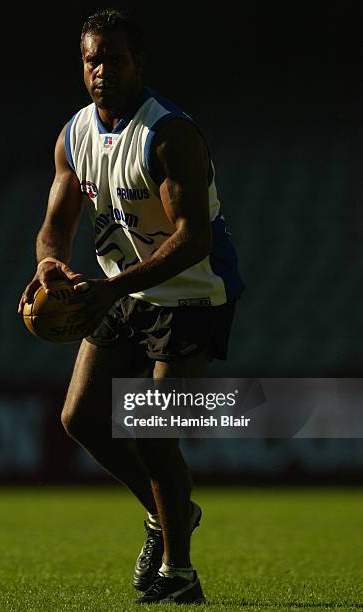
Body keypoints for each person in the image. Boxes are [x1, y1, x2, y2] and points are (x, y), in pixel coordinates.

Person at [18, 8, 244, 605]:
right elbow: (54, 226)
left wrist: (110, 288)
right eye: (92, 59)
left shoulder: (169, 133)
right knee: (80, 418)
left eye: (114, 58)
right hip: (124, 289)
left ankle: (179, 573)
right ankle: (167, 515)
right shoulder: (74, 136)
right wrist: (48, 264)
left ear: (137, 63)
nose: (101, 70)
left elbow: (192, 238)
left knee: (152, 432)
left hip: (193, 293)